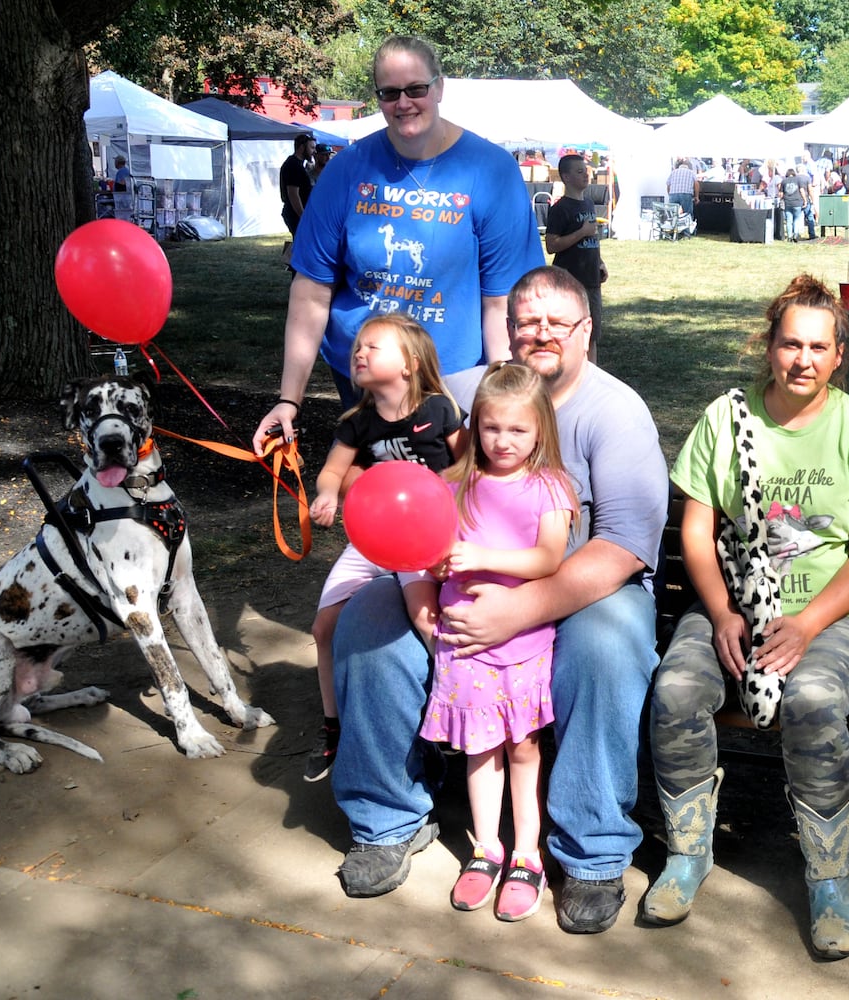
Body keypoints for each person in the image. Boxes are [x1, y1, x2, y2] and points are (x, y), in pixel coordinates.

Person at [326, 265, 668, 936]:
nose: (540, 334)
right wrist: (418, 594)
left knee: (604, 647)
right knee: (368, 621)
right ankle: (385, 816)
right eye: (525, 322)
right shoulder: (458, 400)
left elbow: (625, 542)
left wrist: (522, 609)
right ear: (506, 330)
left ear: (586, 331)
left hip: (582, 588)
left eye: (556, 322)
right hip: (455, 583)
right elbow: (402, 502)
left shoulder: (614, 411)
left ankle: (590, 850)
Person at [644, 273, 849, 959]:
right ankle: (688, 852)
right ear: (768, 347)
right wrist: (720, 613)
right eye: (790, 344)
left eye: (818, 348)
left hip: (834, 617)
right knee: (676, 692)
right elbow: (697, 532)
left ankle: (827, 877)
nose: (803, 359)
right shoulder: (725, 418)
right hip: (731, 606)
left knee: (817, 700)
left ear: (837, 356)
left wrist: (806, 624)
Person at [250, 35, 543, 440]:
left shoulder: (490, 171)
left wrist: (504, 396)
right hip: (363, 379)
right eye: (389, 93)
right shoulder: (347, 170)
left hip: (452, 378)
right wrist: (289, 400)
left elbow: (501, 303)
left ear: (439, 88)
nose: (403, 103)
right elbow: (311, 291)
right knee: (375, 489)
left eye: (416, 89)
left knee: (452, 495)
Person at [408, 362, 577, 922]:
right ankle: (486, 848)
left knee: (523, 748)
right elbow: (431, 551)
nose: (503, 441)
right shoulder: (455, 483)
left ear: (540, 431)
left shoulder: (549, 486)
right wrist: (434, 567)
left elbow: (548, 558)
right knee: (479, 748)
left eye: (518, 430)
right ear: (475, 425)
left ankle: (527, 854)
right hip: (462, 643)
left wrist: (483, 557)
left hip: (522, 643)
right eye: (491, 428)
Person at [301, 314, 466, 783]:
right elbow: (332, 472)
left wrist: (435, 493)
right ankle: (332, 727)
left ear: (410, 364)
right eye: (358, 346)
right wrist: (329, 493)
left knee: (425, 619)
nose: (360, 352)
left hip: (424, 542)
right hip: (372, 543)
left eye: (374, 346)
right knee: (323, 626)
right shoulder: (357, 421)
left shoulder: (438, 409)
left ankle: (455, 706)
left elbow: (469, 463)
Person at [545, 154, 607, 362]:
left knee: (592, 333)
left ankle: (593, 377)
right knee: (567, 331)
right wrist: (581, 232)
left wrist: (600, 262)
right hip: (569, 282)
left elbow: (592, 239)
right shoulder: (560, 209)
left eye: (586, 171)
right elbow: (552, 245)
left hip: (591, 279)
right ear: (566, 177)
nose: (586, 175)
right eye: (579, 172)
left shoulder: (588, 204)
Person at [280, 133, 315, 235]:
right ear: (302, 147)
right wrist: (303, 216)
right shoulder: (293, 165)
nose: (314, 151)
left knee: (300, 244)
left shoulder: (298, 164)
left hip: (297, 214)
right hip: (295, 214)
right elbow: (293, 194)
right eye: (312, 148)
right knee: (301, 244)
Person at [780, 168, 806, 243]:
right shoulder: (798, 179)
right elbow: (801, 190)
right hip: (797, 202)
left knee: (789, 220)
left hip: (787, 203)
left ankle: (789, 236)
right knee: (796, 219)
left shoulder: (784, 181)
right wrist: (805, 200)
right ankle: (795, 234)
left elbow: (781, 194)